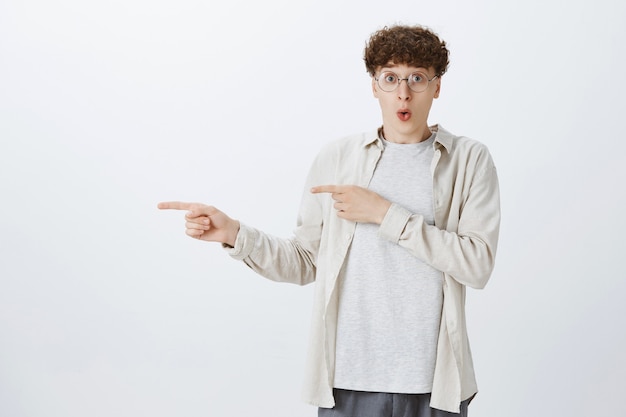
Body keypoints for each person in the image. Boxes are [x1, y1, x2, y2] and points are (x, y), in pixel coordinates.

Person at [159, 24, 500, 417]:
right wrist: (235, 234)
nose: (403, 93)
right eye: (390, 78)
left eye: (417, 79)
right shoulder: (337, 159)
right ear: (374, 86)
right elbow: (307, 261)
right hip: (347, 380)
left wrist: (384, 213)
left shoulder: (469, 160)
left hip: (435, 384)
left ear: (436, 86)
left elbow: (477, 265)